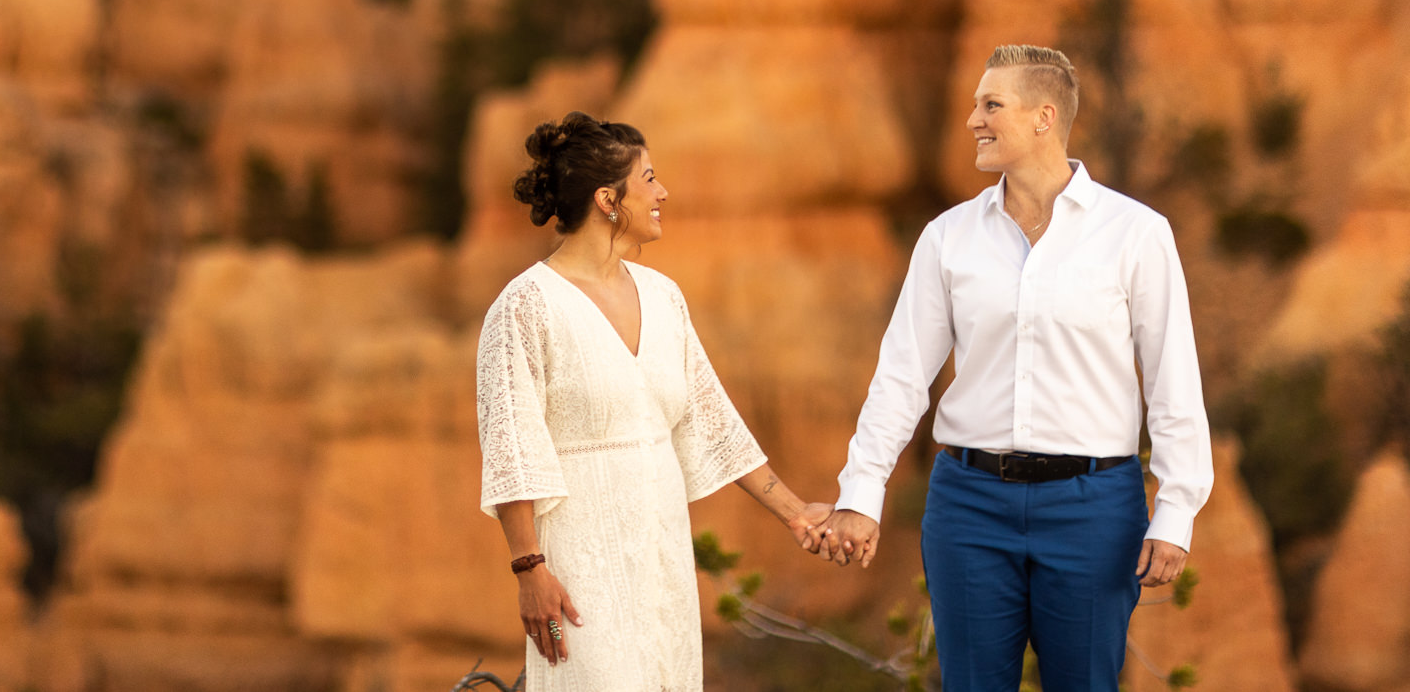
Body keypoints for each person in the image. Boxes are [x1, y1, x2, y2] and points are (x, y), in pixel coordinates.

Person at [814, 45, 1213, 692]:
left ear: (1043, 118)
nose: (972, 119)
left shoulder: (1136, 233)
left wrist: (1177, 509)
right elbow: (902, 377)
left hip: (1095, 508)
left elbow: (1174, 381)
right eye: (976, 105)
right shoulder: (948, 237)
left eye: (990, 105)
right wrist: (861, 494)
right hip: (968, 505)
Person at [476, 111, 830, 690]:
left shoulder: (665, 297)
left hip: (662, 556)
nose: (662, 192)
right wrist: (529, 569)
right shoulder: (525, 306)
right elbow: (511, 449)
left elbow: (711, 422)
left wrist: (796, 513)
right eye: (649, 179)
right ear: (607, 200)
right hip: (579, 562)